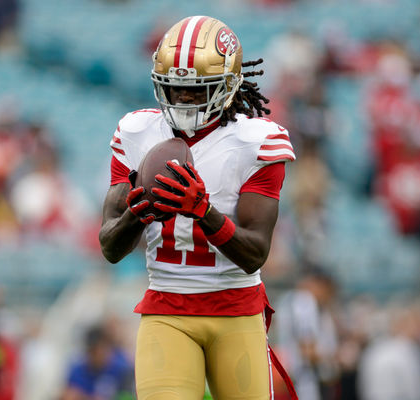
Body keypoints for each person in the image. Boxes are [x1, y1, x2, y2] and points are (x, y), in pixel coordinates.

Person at [99, 16, 296, 399]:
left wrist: (204, 212)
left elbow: (255, 254)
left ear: (228, 85)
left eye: (196, 90)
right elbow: (109, 246)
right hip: (167, 306)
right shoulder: (137, 133)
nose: (184, 100)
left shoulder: (256, 141)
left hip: (236, 308)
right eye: (175, 89)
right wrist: (135, 216)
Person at [274, 268, 338, 400]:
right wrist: (333, 360)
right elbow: (307, 350)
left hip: (292, 376)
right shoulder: (304, 301)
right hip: (303, 379)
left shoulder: (291, 299)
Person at [62, 324, 134, 400]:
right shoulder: (77, 371)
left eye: (97, 350)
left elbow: (128, 396)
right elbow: (68, 394)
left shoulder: (123, 370)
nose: (95, 355)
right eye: (91, 351)